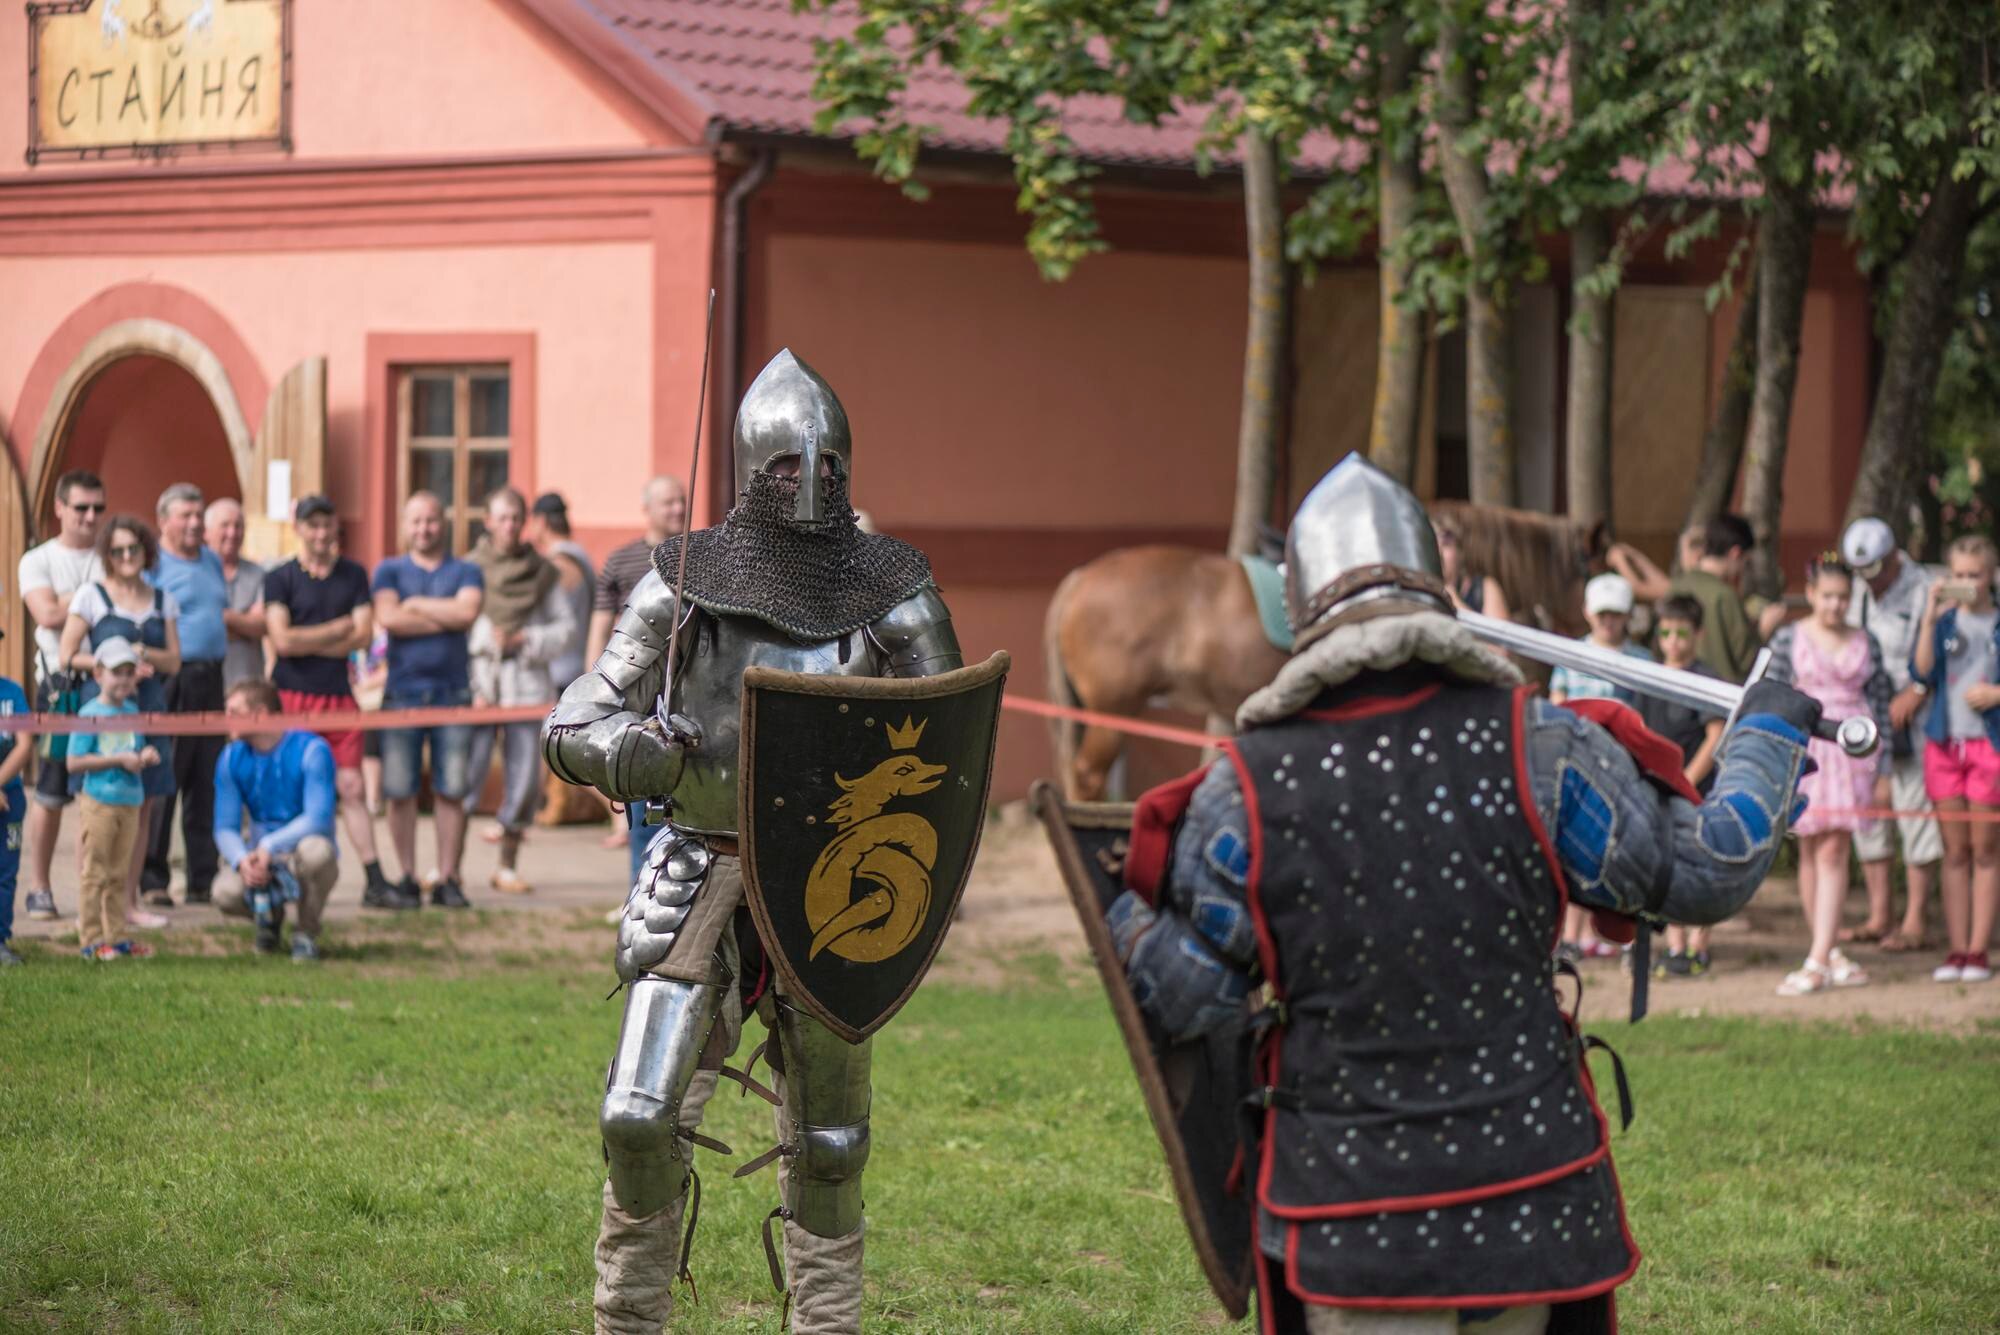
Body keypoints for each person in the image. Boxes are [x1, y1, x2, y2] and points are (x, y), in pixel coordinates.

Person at [1105, 453, 1817, 1334]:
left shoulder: (1240, 792)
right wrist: (1770, 735)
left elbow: (1187, 994)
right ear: (1437, 585)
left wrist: (1122, 905)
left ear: (1298, 606)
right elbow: (1715, 862)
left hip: (1349, 1213)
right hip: (1527, 1199)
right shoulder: (1545, 747)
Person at [547, 350, 963, 1334]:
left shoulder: (892, 590)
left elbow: (947, 739)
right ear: (749, 467)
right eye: (787, 465)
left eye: (826, 465)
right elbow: (573, 722)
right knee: (636, 1118)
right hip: (699, 865)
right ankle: (628, 1319)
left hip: (833, 882)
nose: (809, 480)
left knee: (828, 1143)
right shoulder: (681, 583)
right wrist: (632, 754)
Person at [1764, 557, 1895, 997]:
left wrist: (1886, 768)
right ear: (1812, 592)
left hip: (1852, 751)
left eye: (1844, 597)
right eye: (1828, 596)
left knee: (1835, 851)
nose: (1836, 605)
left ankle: (1818, 958)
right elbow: (1775, 697)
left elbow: (1882, 705)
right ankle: (1828, 945)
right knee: (1811, 849)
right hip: (1805, 748)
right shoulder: (1789, 637)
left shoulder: (1866, 641)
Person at [265, 495, 400, 908]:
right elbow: (281, 641)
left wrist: (309, 639)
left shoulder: (354, 575)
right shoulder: (280, 577)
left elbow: (361, 635)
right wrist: (335, 632)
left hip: (339, 699)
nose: (321, 534)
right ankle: (280, 873)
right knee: (288, 786)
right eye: (313, 525)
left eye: (327, 525)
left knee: (353, 786)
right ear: (299, 529)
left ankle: (375, 879)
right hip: (290, 697)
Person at [58, 516, 180, 930]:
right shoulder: (91, 596)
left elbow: (174, 660)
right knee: (96, 810)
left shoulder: (162, 598)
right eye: (118, 550)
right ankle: (88, 910)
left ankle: (127, 905)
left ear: (147, 551)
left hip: (147, 710)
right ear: (107, 555)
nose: (127, 557)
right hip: (105, 710)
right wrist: (114, 663)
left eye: (134, 548)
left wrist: (143, 656)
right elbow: (67, 654)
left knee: (142, 808)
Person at [372, 491, 484, 909]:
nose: (424, 529)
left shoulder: (467, 570)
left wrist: (416, 605)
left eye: (431, 520)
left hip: (454, 692)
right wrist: (443, 614)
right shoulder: (388, 570)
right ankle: (405, 876)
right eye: (416, 521)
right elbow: (388, 619)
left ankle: (449, 878)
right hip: (401, 693)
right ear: (405, 526)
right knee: (399, 790)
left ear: (444, 523)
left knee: (452, 789)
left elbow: (467, 615)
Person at [1841, 517, 1942, 952]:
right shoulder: (1859, 592)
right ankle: (1880, 914)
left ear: (1894, 556)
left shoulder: (1927, 587)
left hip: (1915, 723)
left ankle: (1916, 918)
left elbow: (1949, 648)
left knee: (1914, 813)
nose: (1869, 580)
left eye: (1875, 569)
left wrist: (1917, 691)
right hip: (1868, 722)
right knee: (1870, 816)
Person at [466, 487, 573, 894]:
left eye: (516, 518)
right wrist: (488, 642)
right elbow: (460, 622)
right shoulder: (471, 569)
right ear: (488, 522)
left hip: (526, 682)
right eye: (502, 518)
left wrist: (524, 639)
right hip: (481, 682)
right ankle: (448, 869)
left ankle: (506, 864)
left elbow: (565, 630)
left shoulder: (541, 572)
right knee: (465, 775)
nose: (510, 526)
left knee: (525, 777)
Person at [590, 475, 689, 878]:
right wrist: (595, 687)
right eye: (669, 503)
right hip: (638, 696)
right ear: (647, 508)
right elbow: (599, 625)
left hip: (686, 693)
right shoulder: (621, 561)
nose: (679, 509)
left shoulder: (698, 557)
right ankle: (638, 888)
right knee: (638, 797)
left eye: (682, 501)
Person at [1912, 533, 2000, 985]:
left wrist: (1995, 694)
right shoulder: (1943, 623)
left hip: (1989, 746)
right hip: (1944, 745)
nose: (1967, 582)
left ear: (1991, 577)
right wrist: (1928, 617)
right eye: (1959, 575)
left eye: (1975, 575)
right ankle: (1957, 949)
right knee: (1955, 852)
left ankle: (1980, 951)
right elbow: (1922, 672)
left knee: (1985, 852)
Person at [19, 469, 106, 924]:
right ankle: (39, 887)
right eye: (81, 508)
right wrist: (93, 597)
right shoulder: (38, 559)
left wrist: (76, 600)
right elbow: (48, 613)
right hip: (58, 687)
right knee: (51, 792)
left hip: (108, 687)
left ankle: (92, 899)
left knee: (98, 790)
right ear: (59, 508)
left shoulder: (112, 555)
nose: (90, 517)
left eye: (98, 509)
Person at [141, 483, 230, 908]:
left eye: (199, 515)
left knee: (206, 780)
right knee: (166, 780)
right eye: (185, 516)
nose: (195, 523)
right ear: (164, 521)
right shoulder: (153, 564)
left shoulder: (211, 560)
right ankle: (153, 878)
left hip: (212, 679)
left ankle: (202, 878)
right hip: (172, 681)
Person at [212, 677, 340, 962]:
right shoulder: (231, 757)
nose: (226, 719)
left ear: (260, 715)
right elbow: (224, 826)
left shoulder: (312, 750)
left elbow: (319, 818)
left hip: (297, 849)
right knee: (224, 892)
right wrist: (242, 860)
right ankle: (269, 919)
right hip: (259, 854)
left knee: (317, 852)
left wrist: (270, 846)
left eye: (235, 712)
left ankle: (306, 933)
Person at [1637, 594, 1727, 978]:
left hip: (1699, 788)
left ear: (1699, 634)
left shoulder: (1706, 679)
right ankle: (1675, 949)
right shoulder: (1648, 675)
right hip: (1659, 789)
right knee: (1668, 868)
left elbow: (1716, 736)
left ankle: (1699, 948)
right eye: (1666, 633)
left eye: (1682, 633)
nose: (1673, 641)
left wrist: (1686, 778)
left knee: (1705, 864)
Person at [64, 638, 161, 962]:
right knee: (95, 873)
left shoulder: (133, 711)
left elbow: (133, 751)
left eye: (128, 672)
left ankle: (117, 937)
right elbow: (74, 762)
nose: (122, 679)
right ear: (98, 674)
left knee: (120, 874)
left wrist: (144, 755)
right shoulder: (89, 713)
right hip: (99, 803)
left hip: (130, 800)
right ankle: (90, 941)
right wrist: (119, 760)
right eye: (115, 672)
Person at [1667, 514, 1786, 682]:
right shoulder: (1725, 596)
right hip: (1719, 693)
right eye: (1745, 561)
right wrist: (1764, 628)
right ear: (1735, 553)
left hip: (1677, 686)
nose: (1742, 569)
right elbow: (1746, 660)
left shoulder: (1676, 586)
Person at [1548, 573, 1652, 705]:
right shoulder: (1569, 654)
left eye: (1616, 614)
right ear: (1587, 611)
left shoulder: (1645, 659)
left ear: (1629, 614)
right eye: (1601, 614)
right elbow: (1557, 701)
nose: (1608, 621)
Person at [527, 491, 596, 690]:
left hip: (562, 670)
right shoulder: (581, 556)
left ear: (541, 521)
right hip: (576, 665)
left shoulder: (558, 562)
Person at [207, 497, 269, 690]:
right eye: (224, 525)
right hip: (207, 684)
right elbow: (193, 628)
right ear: (206, 532)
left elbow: (262, 625)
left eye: (239, 526)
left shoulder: (258, 574)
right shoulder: (196, 572)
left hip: (248, 683)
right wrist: (244, 622)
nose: (232, 533)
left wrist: (221, 616)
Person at [0, 659, 30, 967]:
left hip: (10, 796)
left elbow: (24, 745)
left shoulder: (12, 692)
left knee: (5, 871)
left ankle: (0, 939)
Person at [1434, 513, 1511, 621]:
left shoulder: (1484, 588)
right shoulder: (1420, 591)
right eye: (1432, 544)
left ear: (1460, 552)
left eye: (1446, 544)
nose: (1439, 552)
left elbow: (1498, 635)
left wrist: (1453, 600)